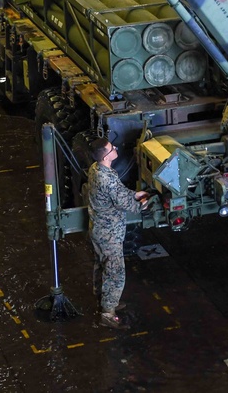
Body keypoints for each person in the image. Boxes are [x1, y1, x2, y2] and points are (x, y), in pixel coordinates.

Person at [86, 137, 149, 330]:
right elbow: (128, 205)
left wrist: (133, 194)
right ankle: (107, 313)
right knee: (115, 272)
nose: (115, 148)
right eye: (111, 148)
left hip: (99, 228)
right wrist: (143, 202)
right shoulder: (106, 178)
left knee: (101, 265)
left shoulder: (97, 169)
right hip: (110, 233)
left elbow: (119, 192)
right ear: (106, 156)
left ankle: (104, 300)